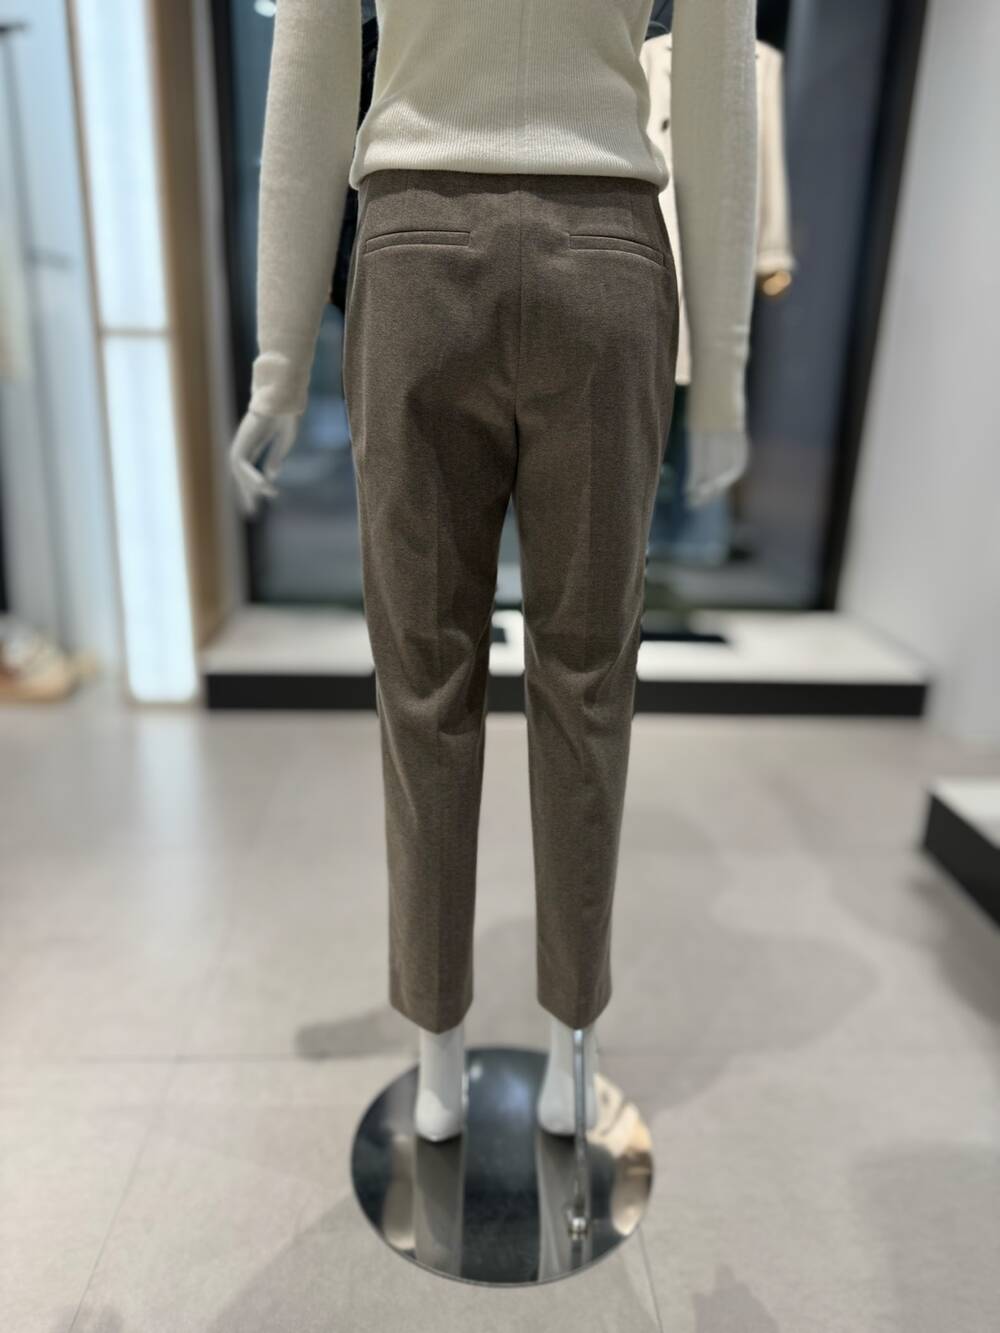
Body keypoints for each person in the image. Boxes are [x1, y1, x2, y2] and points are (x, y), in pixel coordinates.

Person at [230, 0, 758, 1142]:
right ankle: (572, 1038)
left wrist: (280, 359)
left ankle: (439, 1047)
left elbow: (310, 71)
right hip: (607, 253)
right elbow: (719, 97)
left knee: (422, 678)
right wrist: (718, 379)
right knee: (589, 678)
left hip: (416, 250)